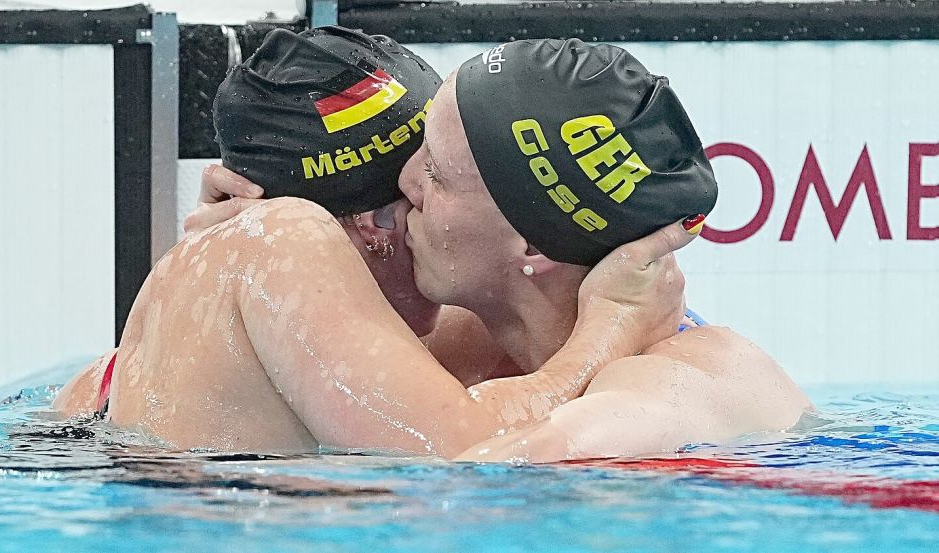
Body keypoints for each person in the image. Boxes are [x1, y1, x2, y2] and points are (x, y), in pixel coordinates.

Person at [54, 28, 692, 456]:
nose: (422, 226)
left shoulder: (132, 351)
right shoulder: (287, 237)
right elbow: (468, 453)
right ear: (372, 224)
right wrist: (610, 329)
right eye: (417, 199)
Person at [194, 38, 813, 462]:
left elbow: (480, 474)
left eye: (434, 173)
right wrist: (233, 278)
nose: (407, 184)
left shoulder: (682, 386)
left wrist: (610, 332)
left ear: (533, 240)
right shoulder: (474, 341)